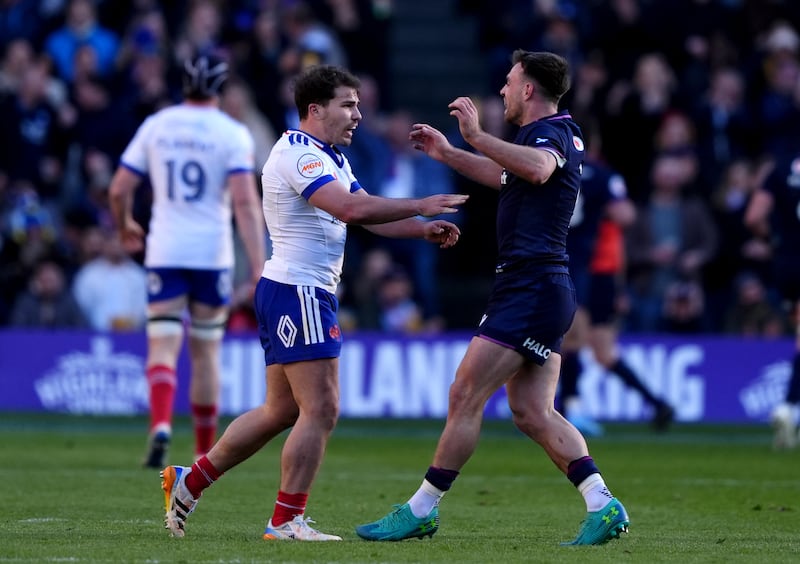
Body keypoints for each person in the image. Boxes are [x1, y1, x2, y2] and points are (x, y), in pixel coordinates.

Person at [158, 64, 467, 542]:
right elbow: (350, 209)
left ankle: (189, 480)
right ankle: (284, 520)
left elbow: (366, 215)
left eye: (358, 105)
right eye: (348, 104)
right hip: (298, 290)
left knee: (279, 412)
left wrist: (418, 229)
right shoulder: (298, 155)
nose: (358, 115)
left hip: (298, 290)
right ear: (315, 109)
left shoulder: (332, 158)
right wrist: (420, 204)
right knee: (321, 408)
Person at [356, 50, 629, 546]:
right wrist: (448, 155)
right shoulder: (542, 136)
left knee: (465, 393)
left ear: (528, 90)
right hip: (540, 287)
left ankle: (421, 510)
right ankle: (602, 502)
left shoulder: (550, 135)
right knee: (532, 411)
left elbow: (540, 169)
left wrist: (477, 136)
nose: (502, 90)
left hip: (531, 287)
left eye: (509, 82)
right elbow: (508, 176)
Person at [108, 53, 267, 469]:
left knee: (162, 343)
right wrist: (257, 263)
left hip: (165, 250)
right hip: (211, 255)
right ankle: (203, 451)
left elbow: (118, 187)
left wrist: (125, 224)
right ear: (219, 88)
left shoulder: (157, 125)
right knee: (206, 351)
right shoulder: (233, 133)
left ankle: (160, 425)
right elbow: (246, 205)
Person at [560, 124, 675, 436]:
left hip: (578, 269)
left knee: (572, 341)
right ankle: (656, 402)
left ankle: (570, 408)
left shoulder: (557, 169)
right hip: (602, 275)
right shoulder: (605, 182)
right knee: (599, 349)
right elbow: (625, 219)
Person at [745, 152, 800, 449]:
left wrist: (774, 241)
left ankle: (792, 407)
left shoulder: (780, 167)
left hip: (787, 263)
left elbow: (754, 216)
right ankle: (789, 407)